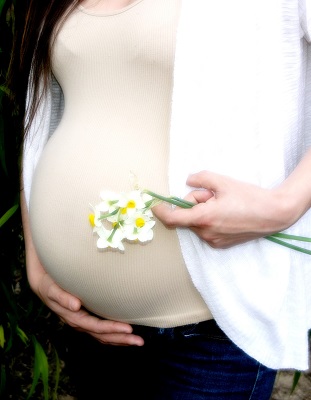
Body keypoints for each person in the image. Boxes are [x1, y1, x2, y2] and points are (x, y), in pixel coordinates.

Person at [9, 0, 311, 398]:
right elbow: (45, 115)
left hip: (209, 333)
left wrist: (285, 205)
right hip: (89, 320)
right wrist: (38, 261)